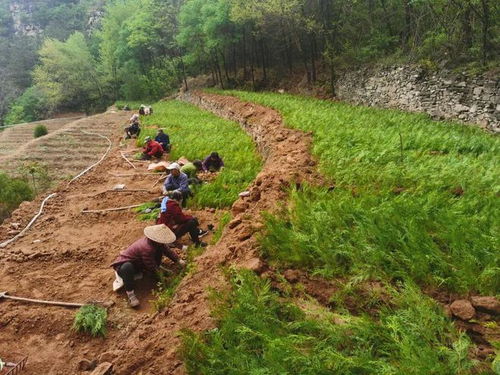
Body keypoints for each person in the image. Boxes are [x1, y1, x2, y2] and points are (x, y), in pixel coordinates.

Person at [111, 224, 185, 307]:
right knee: (127, 267)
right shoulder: (146, 247)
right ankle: (130, 294)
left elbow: (167, 251)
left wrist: (178, 260)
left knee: (159, 251)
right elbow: (150, 265)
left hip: (139, 263)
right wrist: (161, 276)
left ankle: (159, 269)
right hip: (125, 267)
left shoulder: (157, 243)